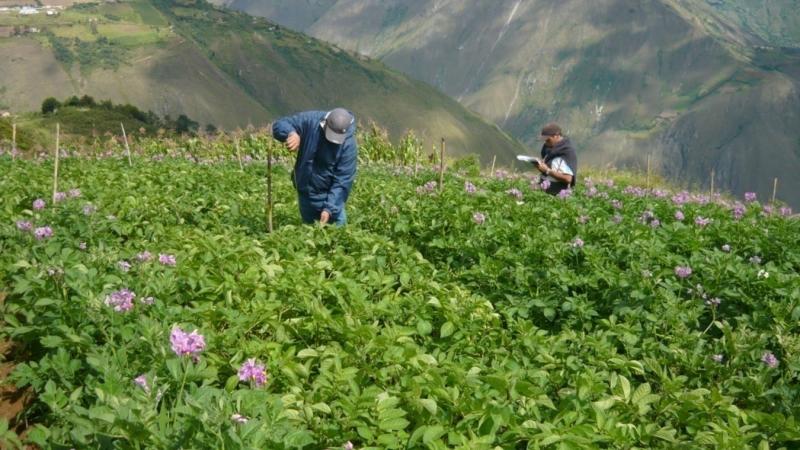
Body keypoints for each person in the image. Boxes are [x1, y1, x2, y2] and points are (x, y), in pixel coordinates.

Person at [272, 108, 357, 225]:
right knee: (309, 233)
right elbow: (279, 124)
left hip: (328, 196)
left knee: (338, 237)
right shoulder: (310, 121)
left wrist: (329, 209)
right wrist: (291, 133)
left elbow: (342, 181)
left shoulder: (348, 146)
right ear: (325, 123)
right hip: (305, 193)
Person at [532, 123, 577, 195]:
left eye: (548, 140)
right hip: (544, 189)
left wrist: (547, 170)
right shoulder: (548, 147)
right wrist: (540, 167)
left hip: (557, 193)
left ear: (556, 136)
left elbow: (568, 179)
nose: (545, 143)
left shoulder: (567, 152)